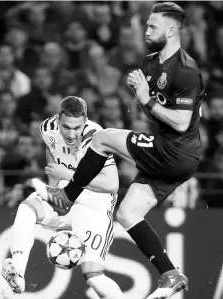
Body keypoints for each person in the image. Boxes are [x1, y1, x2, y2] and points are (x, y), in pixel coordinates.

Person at [34, 2, 205, 299]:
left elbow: (180, 122)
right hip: (171, 152)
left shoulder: (187, 71)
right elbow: (159, 112)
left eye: (153, 26)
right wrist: (144, 101)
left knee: (103, 138)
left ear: (173, 30)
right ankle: (171, 274)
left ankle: (66, 198)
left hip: (177, 150)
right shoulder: (152, 63)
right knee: (127, 213)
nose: (147, 30)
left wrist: (145, 99)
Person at [2, 96, 124, 299]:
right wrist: (55, 187)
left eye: (77, 128)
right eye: (66, 127)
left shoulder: (96, 137)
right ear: (58, 120)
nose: (71, 134)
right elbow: (52, 152)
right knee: (27, 207)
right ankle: (18, 272)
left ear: (85, 122)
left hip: (95, 203)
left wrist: (67, 175)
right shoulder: (47, 128)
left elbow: (111, 184)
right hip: (66, 192)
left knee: (93, 275)